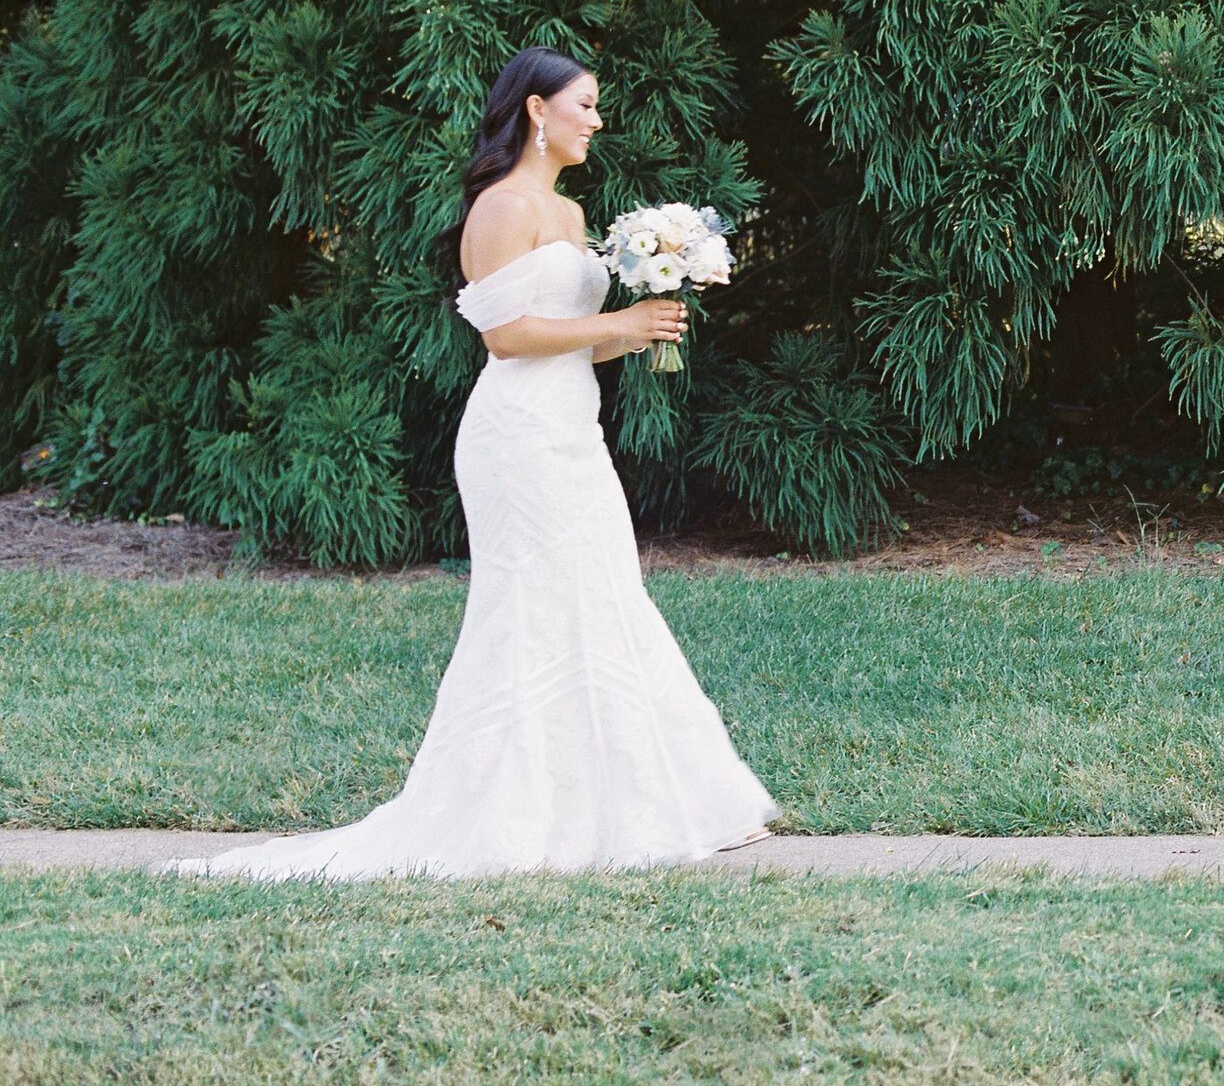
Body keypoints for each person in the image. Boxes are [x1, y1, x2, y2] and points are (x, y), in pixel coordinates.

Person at [180, 47, 777, 879]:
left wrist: (637, 328)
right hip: (516, 437)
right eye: (586, 105)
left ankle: (643, 806)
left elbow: (566, 343)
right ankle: (510, 812)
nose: (597, 121)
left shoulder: (570, 218)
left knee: (603, 592)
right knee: (533, 603)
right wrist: (621, 327)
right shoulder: (501, 209)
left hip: (570, 424)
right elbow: (505, 338)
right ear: (537, 111)